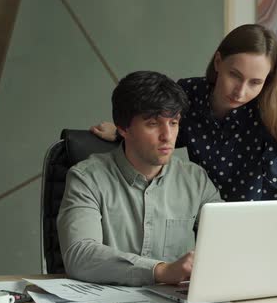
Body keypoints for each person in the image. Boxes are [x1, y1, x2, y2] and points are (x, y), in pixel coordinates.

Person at [92, 24, 277, 202]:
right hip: (199, 213)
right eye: (234, 75)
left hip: (254, 219)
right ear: (218, 62)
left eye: (255, 82)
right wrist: (124, 130)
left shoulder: (272, 110)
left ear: (267, 80)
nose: (241, 92)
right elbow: (163, 135)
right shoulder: (188, 93)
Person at [57, 71, 222, 287]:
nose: (168, 135)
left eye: (173, 123)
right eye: (153, 124)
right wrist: (161, 271)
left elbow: (228, 241)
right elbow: (80, 255)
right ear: (123, 128)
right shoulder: (87, 178)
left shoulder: (195, 180)